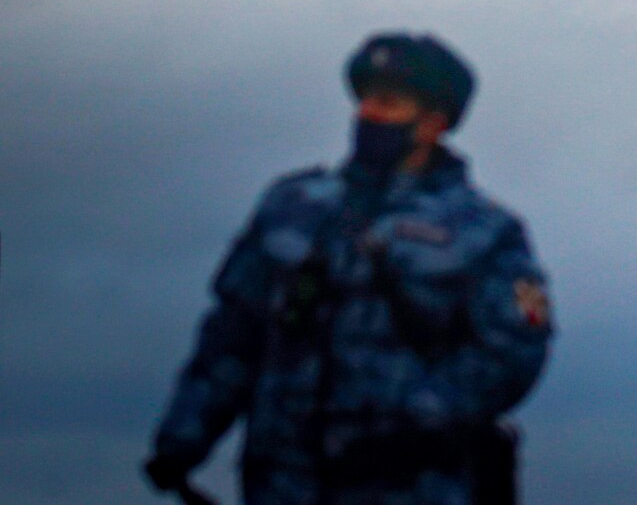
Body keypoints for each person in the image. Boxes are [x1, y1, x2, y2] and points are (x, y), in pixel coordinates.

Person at [145, 34, 553, 505]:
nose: (369, 114)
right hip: (282, 481)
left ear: (433, 124)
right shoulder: (293, 206)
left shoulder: (483, 231)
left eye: (390, 102)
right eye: (366, 99)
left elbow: (514, 351)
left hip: (411, 487)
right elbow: (233, 334)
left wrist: (418, 421)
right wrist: (182, 441)